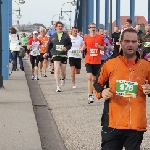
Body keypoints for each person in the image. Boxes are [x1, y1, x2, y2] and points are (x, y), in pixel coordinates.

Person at [94, 28, 150, 150]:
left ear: (138, 43)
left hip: (135, 123)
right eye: (127, 41)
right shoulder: (110, 63)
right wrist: (102, 92)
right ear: (120, 42)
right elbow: (97, 83)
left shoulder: (146, 65)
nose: (130, 44)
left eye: (134, 41)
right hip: (112, 123)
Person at [81, 23, 105, 104]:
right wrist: (82, 48)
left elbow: (103, 47)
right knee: (89, 78)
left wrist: (99, 47)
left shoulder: (100, 37)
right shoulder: (86, 37)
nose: (93, 29)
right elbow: (85, 46)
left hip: (97, 60)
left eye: (94, 27)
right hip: (88, 60)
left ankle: (93, 94)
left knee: (94, 79)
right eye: (91, 27)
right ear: (89, 29)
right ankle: (90, 95)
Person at [45, 21, 72, 92]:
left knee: (63, 70)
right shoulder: (52, 36)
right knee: (56, 69)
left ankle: (63, 78)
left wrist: (66, 48)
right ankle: (58, 86)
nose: (60, 27)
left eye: (61, 26)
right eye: (58, 26)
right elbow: (49, 46)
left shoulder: (66, 35)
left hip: (63, 54)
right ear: (55, 27)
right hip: (56, 54)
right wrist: (46, 53)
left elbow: (70, 45)